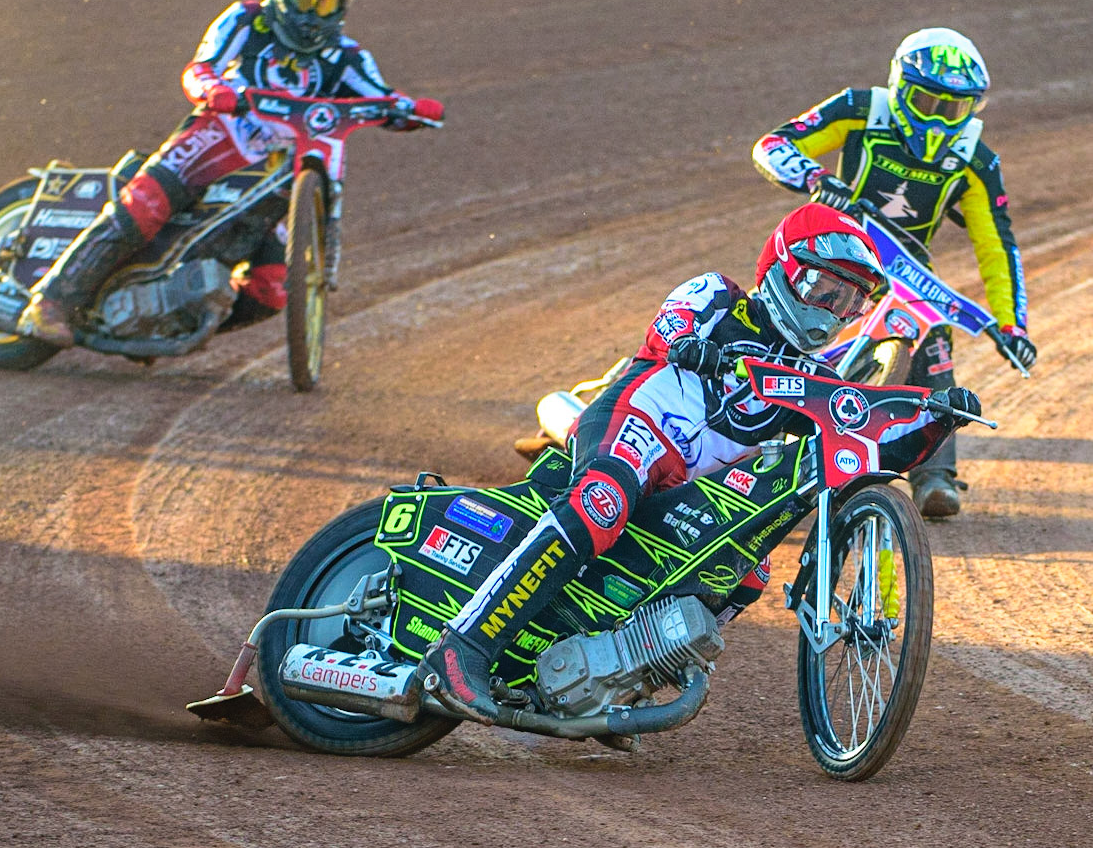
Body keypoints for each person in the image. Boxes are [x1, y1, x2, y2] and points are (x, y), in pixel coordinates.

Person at [417, 204, 981, 725]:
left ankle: (616, 679)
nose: (831, 312)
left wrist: (936, 421)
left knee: (744, 569)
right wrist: (701, 348)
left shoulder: (814, 379)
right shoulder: (720, 294)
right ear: (783, 268)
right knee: (601, 504)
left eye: (847, 302)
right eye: (822, 289)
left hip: (685, 486)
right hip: (638, 421)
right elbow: (671, 326)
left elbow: (862, 448)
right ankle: (462, 648)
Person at [15, 0, 444, 346]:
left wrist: (410, 112)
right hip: (222, 134)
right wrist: (215, 91)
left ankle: (173, 321)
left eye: (326, 1)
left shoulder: (347, 57)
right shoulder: (245, 19)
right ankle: (50, 301)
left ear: (343, 5)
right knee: (147, 202)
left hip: (281, 174)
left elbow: (381, 99)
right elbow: (200, 68)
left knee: (274, 287)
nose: (313, 13)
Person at [752, 27, 1031, 518]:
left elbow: (995, 242)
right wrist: (816, 177)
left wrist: (1011, 323)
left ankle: (935, 475)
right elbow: (775, 144)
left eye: (954, 108)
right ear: (901, 88)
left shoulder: (974, 158)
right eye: (926, 101)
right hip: (828, 247)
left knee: (935, 336)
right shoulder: (861, 109)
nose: (939, 118)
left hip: (905, 271)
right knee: (768, 317)